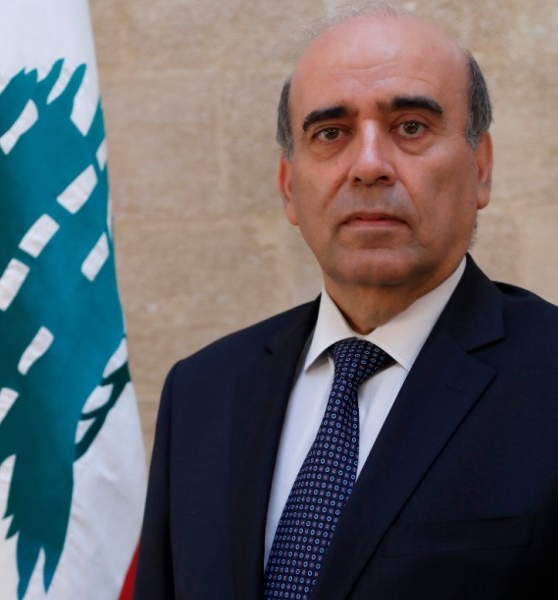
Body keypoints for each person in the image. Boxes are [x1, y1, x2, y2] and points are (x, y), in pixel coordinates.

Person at [133, 4, 558, 599]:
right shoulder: (202, 394)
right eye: (330, 133)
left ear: (481, 168)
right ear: (289, 186)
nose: (369, 166)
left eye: (411, 126)